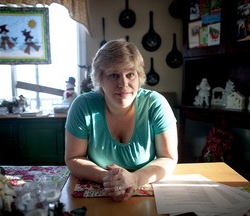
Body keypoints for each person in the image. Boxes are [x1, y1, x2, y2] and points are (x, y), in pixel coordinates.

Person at [65, 39, 178, 202]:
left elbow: (168, 159)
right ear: (99, 79)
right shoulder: (83, 106)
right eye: (114, 75)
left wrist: (135, 179)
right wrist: (108, 178)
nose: (123, 84)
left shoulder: (156, 104)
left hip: (147, 192)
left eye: (130, 74)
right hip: (101, 195)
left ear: (138, 76)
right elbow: (73, 158)